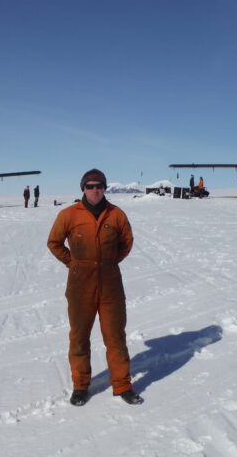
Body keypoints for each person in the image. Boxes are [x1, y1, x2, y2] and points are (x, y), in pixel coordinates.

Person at [47, 168, 143, 406]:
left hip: (110, 284)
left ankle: (122, 386)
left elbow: (126, 243)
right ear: (83, 188)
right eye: (90, 186)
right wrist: (74, 263)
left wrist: (108, 263)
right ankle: (80, 386)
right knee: (79, 337)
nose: (95, 189)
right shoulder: (69, 214)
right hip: (80, 285)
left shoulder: (116, 214)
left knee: (115, 337)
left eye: (99, 185)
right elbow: (54, 242)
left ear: (104, 188)